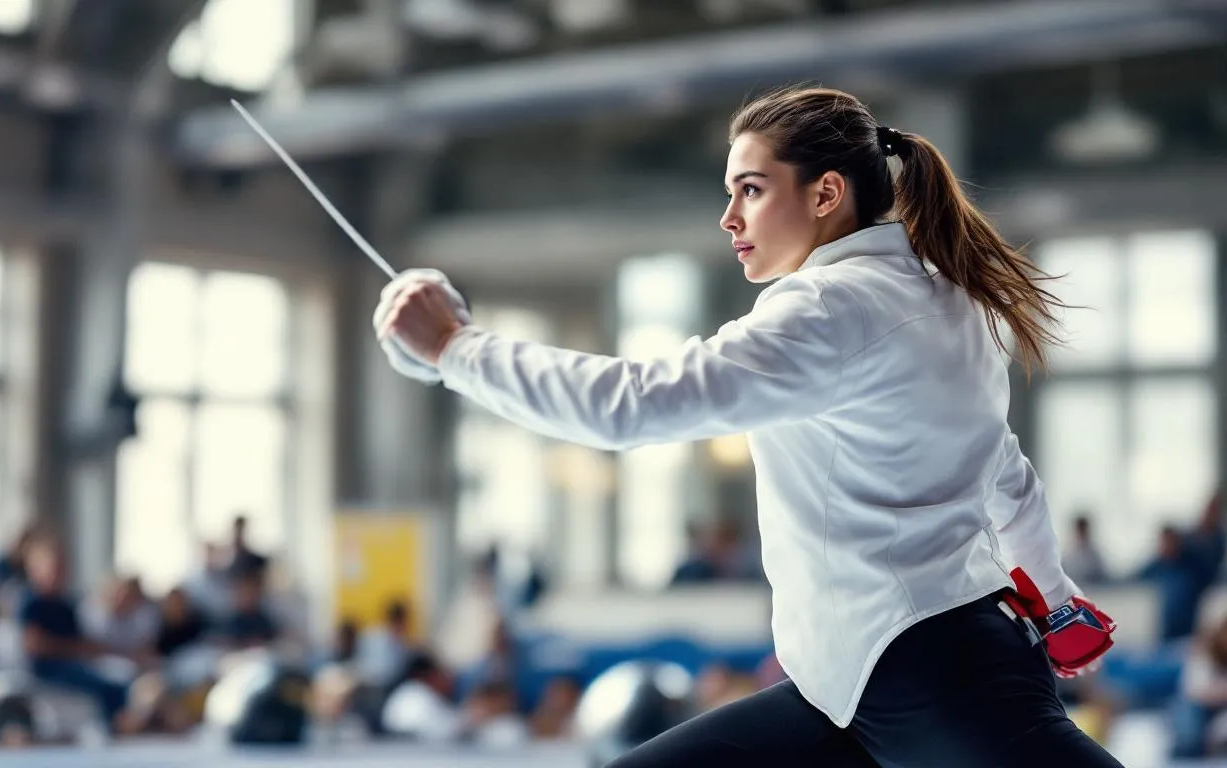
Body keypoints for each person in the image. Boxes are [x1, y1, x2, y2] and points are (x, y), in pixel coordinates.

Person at [374, 86, 1122, 766]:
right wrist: (1055, 604)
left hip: (931, 681)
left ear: (827, 192)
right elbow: (1007, 478)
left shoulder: (828, 308)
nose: (729, 218)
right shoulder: (947, 299)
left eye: (752, 191)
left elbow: (632, 404)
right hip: (852, 691)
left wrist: (455, 349)